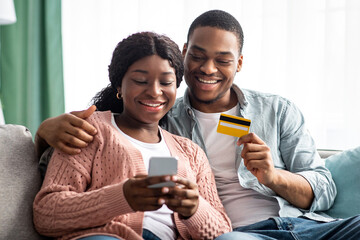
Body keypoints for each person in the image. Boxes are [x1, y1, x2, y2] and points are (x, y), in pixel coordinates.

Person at [36, 10, 360, 240]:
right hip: (241, 236)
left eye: (223, 60)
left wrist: (274, 177)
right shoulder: (164, 119)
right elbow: (118, 116)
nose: (208, 69)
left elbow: (325, 189)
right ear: (184, 53)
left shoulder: (277, 111)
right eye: (198, 56)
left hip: (304, 225)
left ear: (239, 63)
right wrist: (40, 134)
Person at [33, 31, 233, 240]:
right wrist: (121, 198)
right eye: (140, 80)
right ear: (119, 85)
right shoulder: (90, 130)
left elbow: (223, 232)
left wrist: (195, 209)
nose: (155, 92)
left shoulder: (191, 152)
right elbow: (46, 213)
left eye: (165, 83)